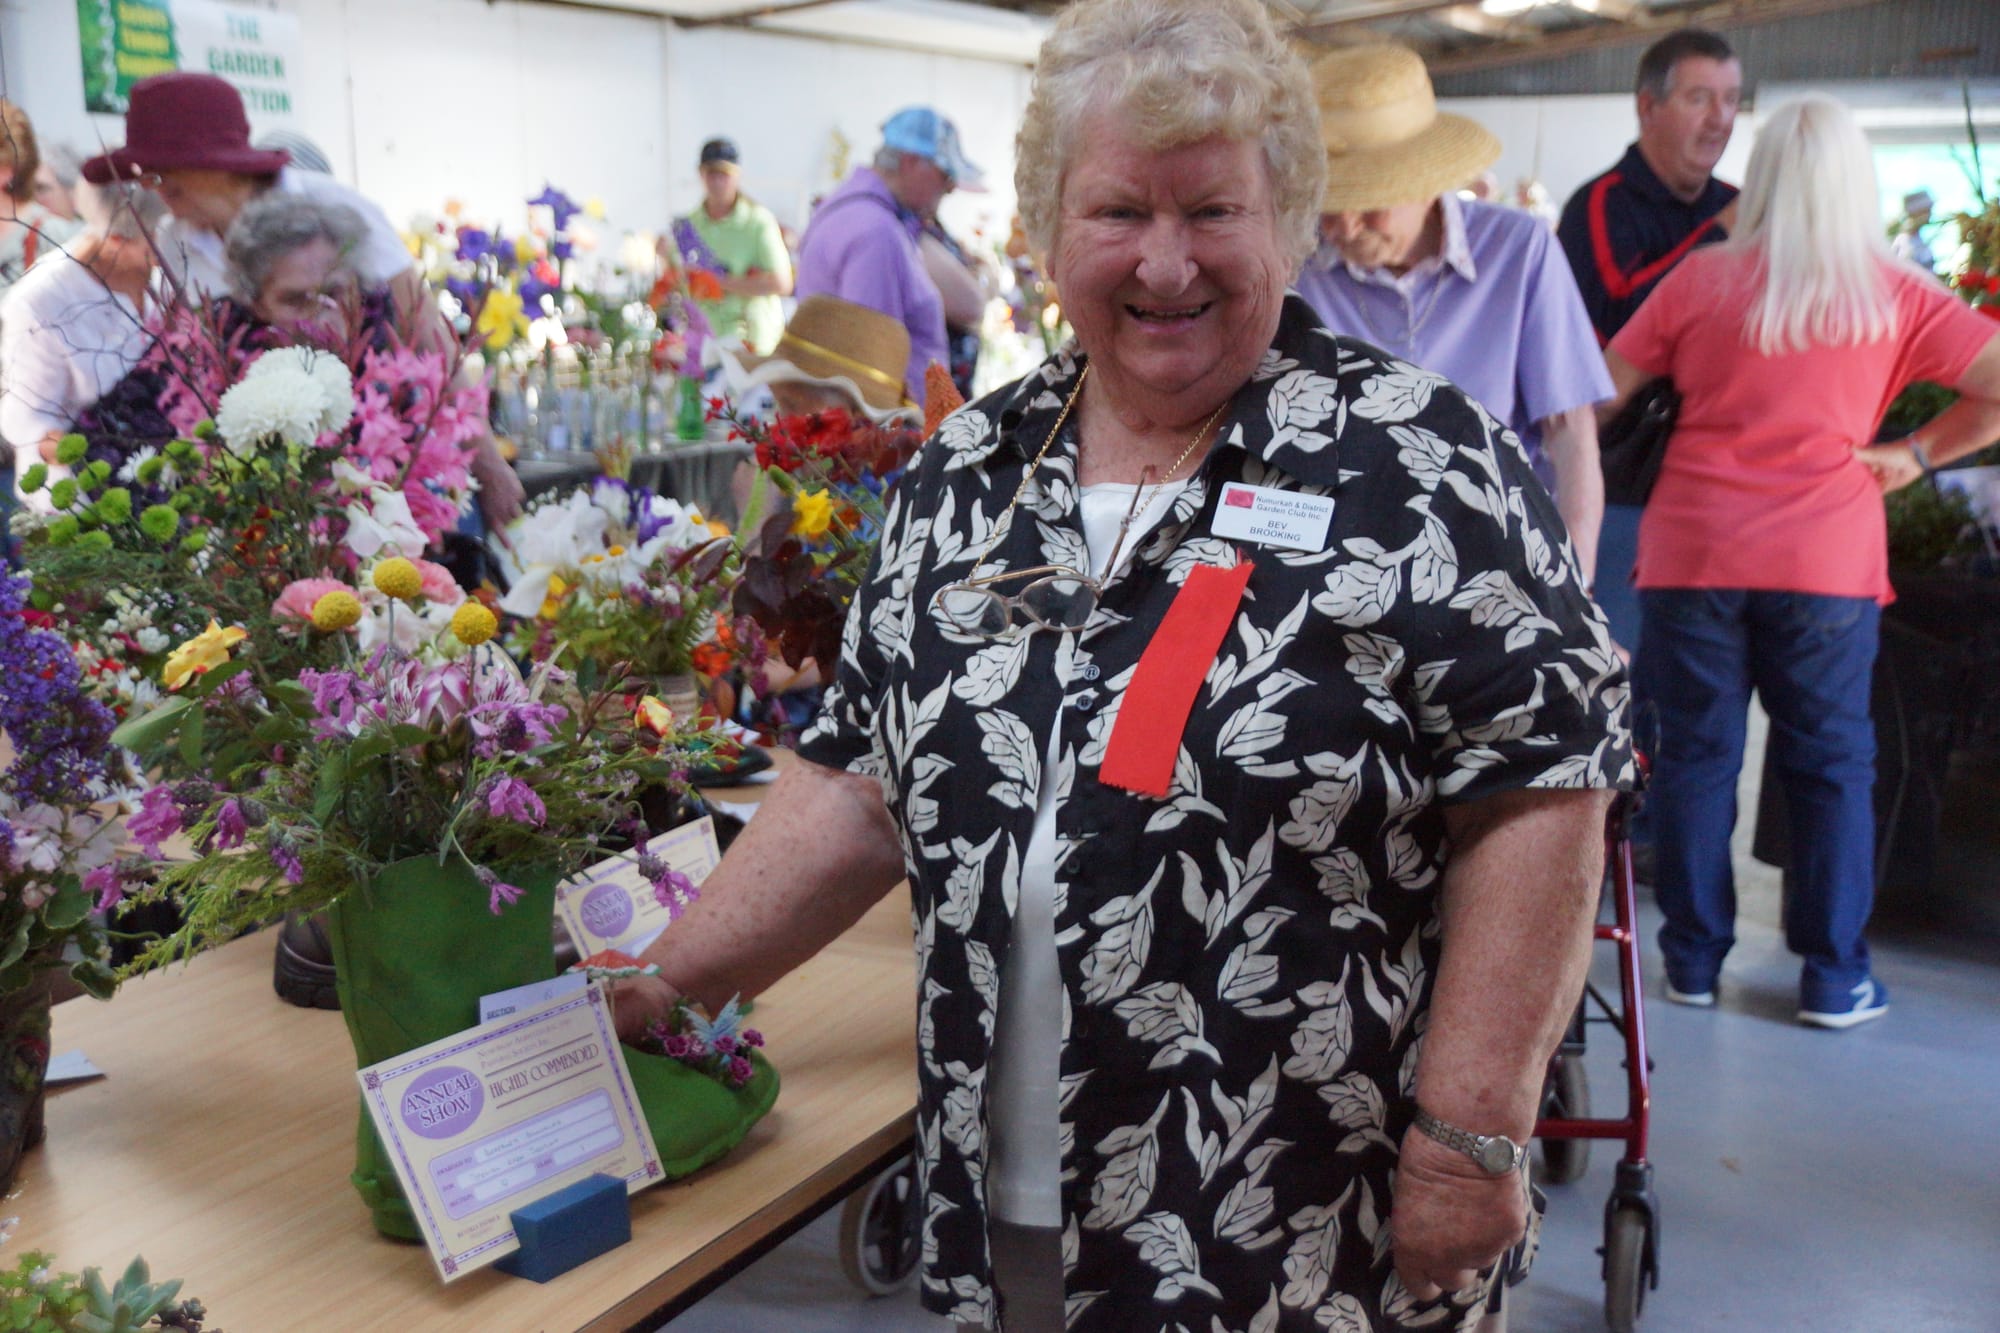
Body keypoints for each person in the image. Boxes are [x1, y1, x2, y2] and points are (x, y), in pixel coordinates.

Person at [615, 0, 1632, 1328]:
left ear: (1291, 218)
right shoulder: (970, 477)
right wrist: (666, 985)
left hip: (1306, 1222)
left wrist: (1476, 1129)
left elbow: (1541, 794)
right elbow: (858, 783)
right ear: (1046, 233)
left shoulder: (1422, 469)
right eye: (1115, 215)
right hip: (1006, 1205)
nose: (1164, 265)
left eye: (1212, 211)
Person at [1601, 96, 2000, 1028]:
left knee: (1697, 757)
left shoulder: (1702, 282)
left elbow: (1601, 392)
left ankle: (1692, 963)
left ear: (1766, 175)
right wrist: (1919, 454)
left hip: (1694, 549)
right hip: (1825, 556)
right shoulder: (1894, 293)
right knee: (1830, 763)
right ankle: (1833, 976)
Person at [81, 71, 522, 526]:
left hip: (381, 460)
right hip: (268, 485)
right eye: (147, 173)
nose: (157, 186)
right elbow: (191, 367)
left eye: (167, 168)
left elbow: (428, 336)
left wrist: (488, 463)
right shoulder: (174, 241)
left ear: (217, 160)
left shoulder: (338, 210)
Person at [1299, 43, 1611, 583]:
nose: (1343, 227)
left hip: (1494, 570)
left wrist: (1574, 592)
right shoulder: (1292, 264)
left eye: (1367, 201)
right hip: (1339, 576)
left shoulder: (1519, 251)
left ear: (1424, 179)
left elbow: (1571, 435)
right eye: (1328, 201)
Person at [1558, 28, 1741, 654]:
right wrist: (1716, 240)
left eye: (1731, 100)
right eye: (1699, 98)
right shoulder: (1599, 207)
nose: (1720, 119)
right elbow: (1617, 320)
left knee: (1701, 688)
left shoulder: (1737, 206)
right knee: (1617, 678)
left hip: (1724, 490)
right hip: (1627, 487)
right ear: (1647, 106)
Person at [794, 106, 985, 408]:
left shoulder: (849, 210)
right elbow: (873, 364)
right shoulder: (876, 231)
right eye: (945, 175)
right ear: (910, 163)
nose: (949, 189)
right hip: (890, 437)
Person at [0, 178, 163, 503]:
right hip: (82, 503)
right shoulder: (41, 303)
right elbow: (26, 422)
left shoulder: (164, 277)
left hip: (165, 487)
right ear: (117, 240)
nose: (174, 244)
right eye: (161, 235)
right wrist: (101, 456)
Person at [674, 138, 793, 356]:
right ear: (701, 174)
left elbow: (782, 283)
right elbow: (680, 283)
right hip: (706, 345)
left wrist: (719, 282)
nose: (718, 181)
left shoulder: (758, 221)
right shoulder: (688, 226)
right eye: (712, 173)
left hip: (754, 344)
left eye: (724, 174)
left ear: (737, 175)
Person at [1889, 188, 1937, 274]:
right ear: (1916, 211)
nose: (1930, 213)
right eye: (1926, 210)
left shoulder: (1919, 240)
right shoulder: (1904, 241)